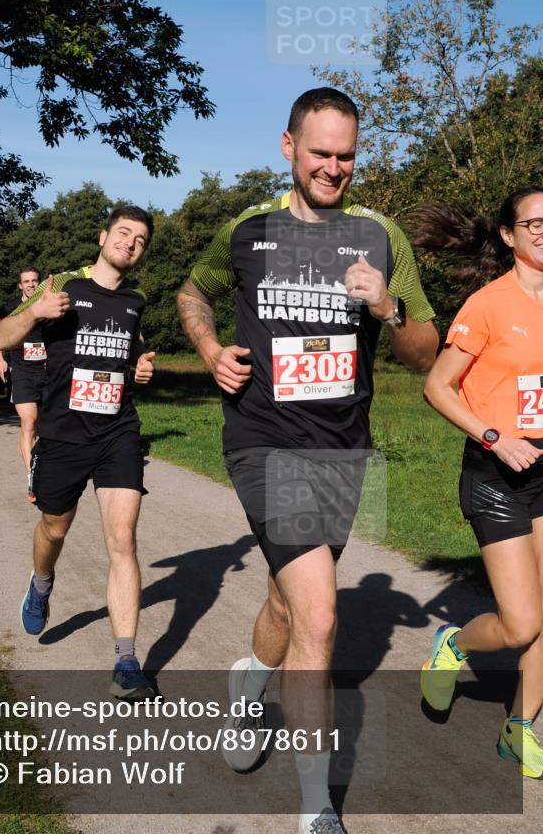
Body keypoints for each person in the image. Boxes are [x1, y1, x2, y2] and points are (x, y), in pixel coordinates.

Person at [177, 87, 438, 834]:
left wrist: (387, 308)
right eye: (319, 152)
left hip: (342, 450)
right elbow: (191, 292)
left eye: (346, 154)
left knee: (288, 603)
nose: (333, 167)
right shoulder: (246, 230)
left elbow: (426, 349)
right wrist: (208, 349)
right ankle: (317, 809)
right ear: (288, 146)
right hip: (262, 440)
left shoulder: (381, 234)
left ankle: (250, 685)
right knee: (320, 615)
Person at [0, 206, 157, 700]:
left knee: (123, 541)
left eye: (141, 240)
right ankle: (42, 581)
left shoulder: (136, 299)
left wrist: (141, 367)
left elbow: (131, 351)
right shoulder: (63, 285)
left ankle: (126, 660)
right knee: (54, 528)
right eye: (123, 233)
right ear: (103, 236)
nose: (130, 243)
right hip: (64, 433)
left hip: (118, 432)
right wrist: (36, 312)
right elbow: (2, 336)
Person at [418, 187, 543, 778]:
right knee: (522, 624)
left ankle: (520, 726)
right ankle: (454, 646)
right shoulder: (487, 304)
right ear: (508, 235)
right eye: (532, 222)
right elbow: (438, 387)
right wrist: (496, 437)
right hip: (496, 471)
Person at [0, 267, 50, 499]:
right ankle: (32, 477)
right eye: (26, 281)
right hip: (22, 372)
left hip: (48, 373)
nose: (30, 284)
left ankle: (40, 460)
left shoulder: (49, 305)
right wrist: (0, 359)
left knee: (44, 427)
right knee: (29, 422)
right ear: (20, 285)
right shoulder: (9, 307)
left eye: (34, 280)